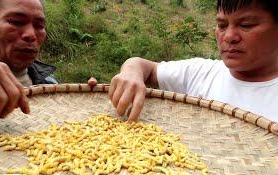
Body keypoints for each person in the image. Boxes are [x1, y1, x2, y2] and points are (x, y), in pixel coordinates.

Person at [109, 0, 278, 127]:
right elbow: (143, 66)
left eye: (245, 25)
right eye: (222, 25)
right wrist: (131, 73)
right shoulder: (200, 73)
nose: (228, 36)